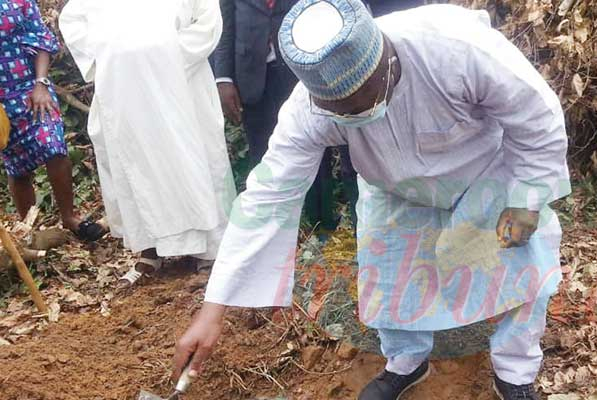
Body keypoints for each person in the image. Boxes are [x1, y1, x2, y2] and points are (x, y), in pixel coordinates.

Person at [174, 1, 570, 399]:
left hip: (485, 174)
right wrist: (215, 308)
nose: (352, 114)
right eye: (338, 110)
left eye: (360, 103)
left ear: (386, 64)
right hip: (393, 189)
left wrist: (526, 201)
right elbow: (267, 197)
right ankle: (406, 363)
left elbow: (538, 119)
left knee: (522, 266)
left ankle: (515, 374)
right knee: (390, 273)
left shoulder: (456, 49)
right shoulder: (309, 108)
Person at [59, 0, 237, 286]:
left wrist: (162, 56)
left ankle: (209, 251)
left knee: (193, 160)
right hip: (123, 91)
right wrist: (112, 55)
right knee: (138, 168)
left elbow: (207, 22)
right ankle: (150, 251)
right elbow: (72, 18)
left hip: (181, 86)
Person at [214, 0, 424, 233]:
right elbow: (225, 25)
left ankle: (324, 224)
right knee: (264, 155)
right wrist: (224, 78)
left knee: (317, 151)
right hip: (252, 75)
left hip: (303, 68)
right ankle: (277, 232)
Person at [0, 0, 107, 241]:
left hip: (30, 88)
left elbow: (40, 38)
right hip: (1, 106)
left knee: (54, 148)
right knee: (17, 168)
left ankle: (69, 218)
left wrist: (41, 83)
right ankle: (30, 232)